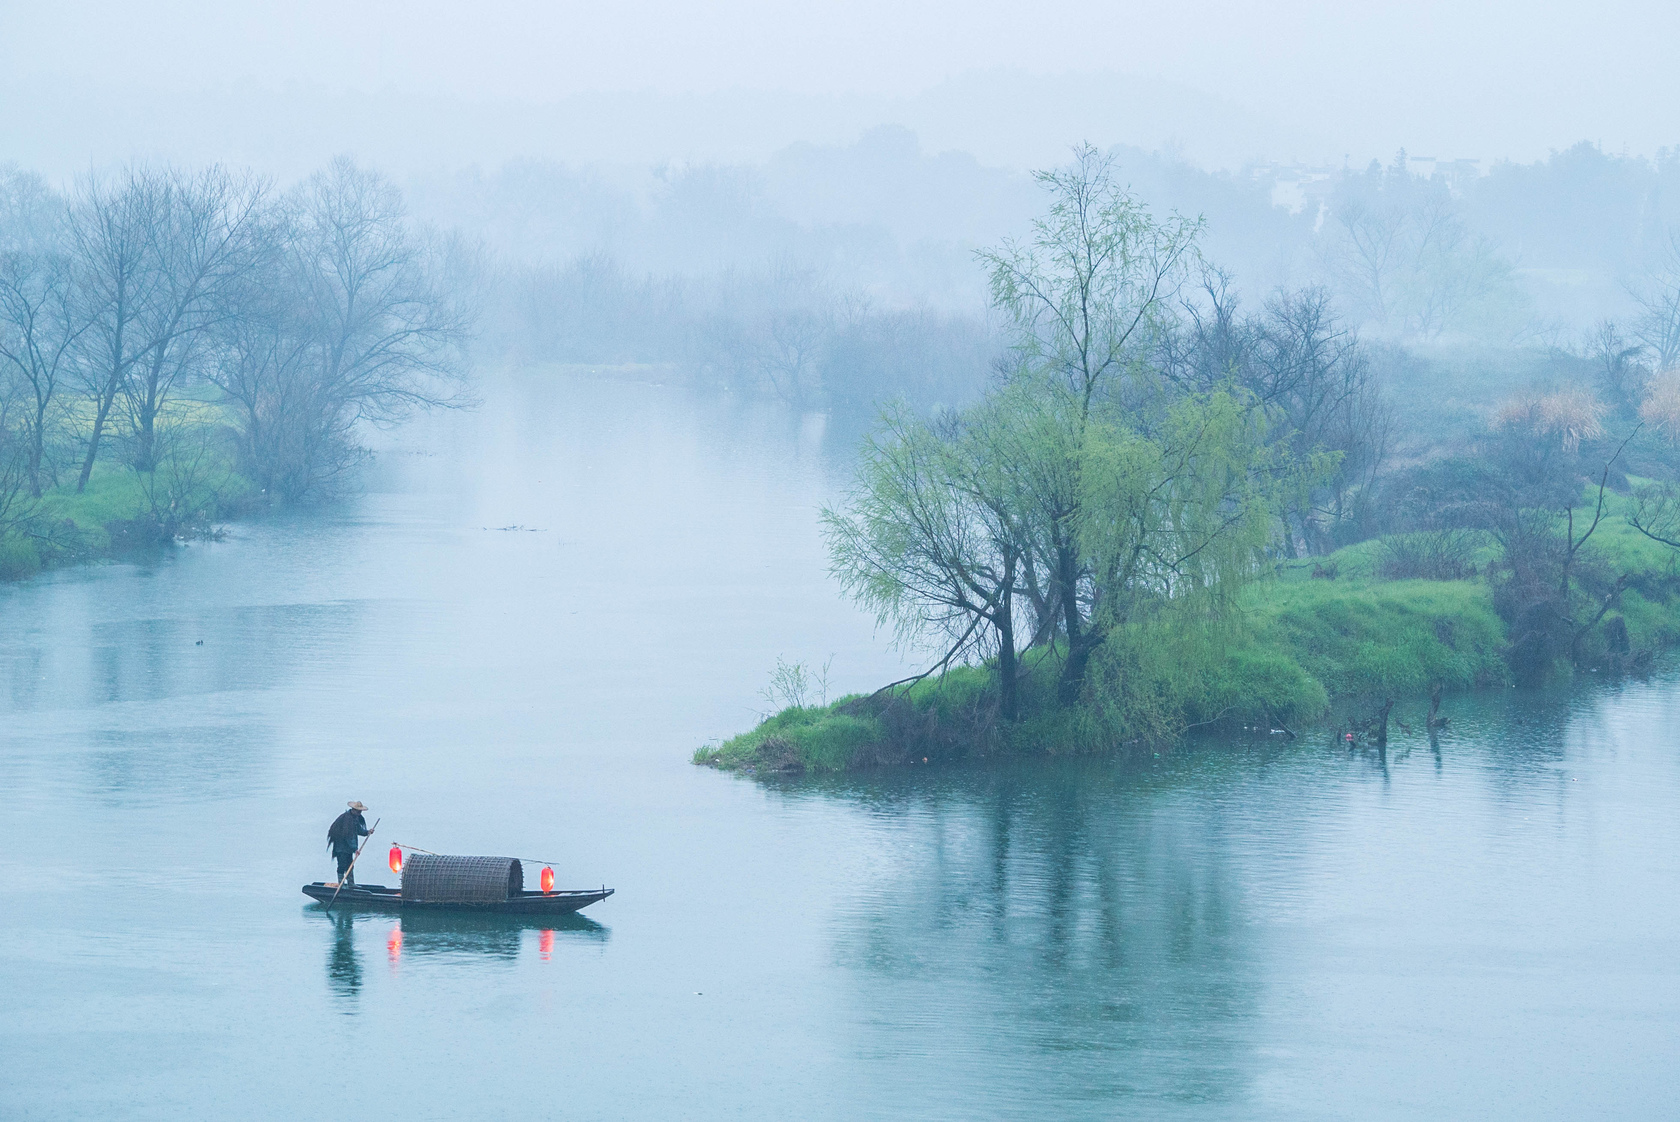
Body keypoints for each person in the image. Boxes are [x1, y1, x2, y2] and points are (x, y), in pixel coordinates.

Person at [327, 801, 371, 885]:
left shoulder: (354, 818)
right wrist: (355, 849)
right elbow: (349, 836)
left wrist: (367, 832)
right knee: (342, 865)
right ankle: (341, 884)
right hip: (341, 847)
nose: (359, 813)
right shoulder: (347, 819)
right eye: (358, 811)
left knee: (350, 865)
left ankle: (351, 884)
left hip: (348, 849)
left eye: (360, 811)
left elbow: (358, 830)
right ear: (353, 810)